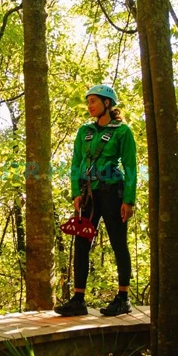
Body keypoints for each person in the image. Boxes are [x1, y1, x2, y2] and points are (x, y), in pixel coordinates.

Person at [54, 84, 137, 317]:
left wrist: (128, 200)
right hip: (88, 193)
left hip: (113, 192)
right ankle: (78, 299)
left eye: (94, 101)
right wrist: (75, 193)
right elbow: (75, 162)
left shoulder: (122, 131)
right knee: (81, 243)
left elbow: (130, 166)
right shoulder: (84, 131)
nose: (89, 105)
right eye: (88, 101)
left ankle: (123, 297)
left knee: (118, 241)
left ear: (107, 103)